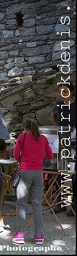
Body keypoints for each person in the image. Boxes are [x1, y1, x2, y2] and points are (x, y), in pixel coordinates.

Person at [11, 118, 54, 245]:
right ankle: (39, 236)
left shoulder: (22, 137)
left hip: (25, 171)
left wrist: (21, 159)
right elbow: (50, 155)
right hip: (39, 173)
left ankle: (20, 234)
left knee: (21, 204)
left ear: (24, 128)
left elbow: (15, 154)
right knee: (37, 204)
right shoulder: (43, 139)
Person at [51, 82, 76, 217]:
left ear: (71, 92)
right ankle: (61, 203)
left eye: (65, 91)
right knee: (62, 172)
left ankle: (73, 205)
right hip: (63, 142)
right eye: (60, 91)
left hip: (75, 144)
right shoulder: (58, 105)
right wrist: (59, 129)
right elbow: (54, 117)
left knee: (73, 174)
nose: (63, 94)